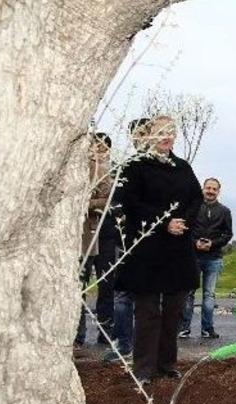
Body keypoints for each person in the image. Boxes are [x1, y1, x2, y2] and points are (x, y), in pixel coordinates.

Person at [115, 115, 202, 384]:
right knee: (147, 311)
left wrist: (182, 222)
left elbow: (195, 198)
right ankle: (143, 368)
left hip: (177, 249)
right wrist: (164, 222)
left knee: (174, 309)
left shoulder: (183, 167)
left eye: (172, 132)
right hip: (148, 249)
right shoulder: (136, 166)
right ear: (149, 134)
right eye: (161, 131)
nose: (167, 136)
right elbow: (129, 203)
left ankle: (167, 364)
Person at [102, 118, 149, 364]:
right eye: (136, 134)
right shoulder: (125, 166)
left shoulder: (164, 167)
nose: (140, 138)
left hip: (154, 242)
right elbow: (115, 199)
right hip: (126, 240)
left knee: (152, 298)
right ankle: (124, 345)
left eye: (144, 133)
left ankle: (148, 349)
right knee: (122, 296)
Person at [74, 133, 116, 350]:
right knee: (78, 286)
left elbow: (109, 200)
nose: (98, 150)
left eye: (102, 147)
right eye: (94, 146)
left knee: (106, 285)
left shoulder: (112, 171)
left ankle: (105, 333)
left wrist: (84, 204)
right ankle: (77, 336)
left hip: (107, 235)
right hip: (83, 235)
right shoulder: (78, 167)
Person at [179, 177, 233, 339]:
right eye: (208, 188)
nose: (210, 191)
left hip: (214, 257)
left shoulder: (225, 211)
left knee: (209, 295)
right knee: (188, 293)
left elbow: (228, 234)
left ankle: (207, 328)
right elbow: (185, 229)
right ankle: (184, 328)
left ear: (218, 191)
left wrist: (213, 244)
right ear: (203, 189)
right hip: (193, 256)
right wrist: (195, 243)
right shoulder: (192, 207)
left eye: (214, 189)